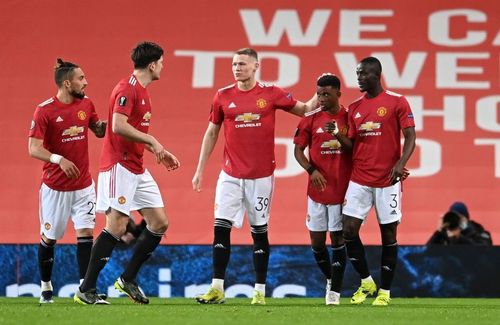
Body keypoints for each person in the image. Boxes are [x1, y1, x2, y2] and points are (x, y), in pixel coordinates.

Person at [192, 48, 317, 305]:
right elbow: (211, 133)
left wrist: (321, 89)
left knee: (258, 232)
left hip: (261, 176)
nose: (237, 68)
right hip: (230, 175)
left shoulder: (271, 93)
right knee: (220, 228)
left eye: (242, 64)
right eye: (234, 64)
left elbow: (304, 110)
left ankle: (259, 291)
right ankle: (217, 288)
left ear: (256, 66)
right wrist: (200, 169)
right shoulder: (223, 96)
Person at [74, 41, 180, 305]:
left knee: (159, 222)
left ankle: (127, 279)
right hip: (118, 166)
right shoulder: (127, 89)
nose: (163, 67)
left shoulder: (142, 92)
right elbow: (118, 127)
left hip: (136, 166)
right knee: (117, 226)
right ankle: (86, 289)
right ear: (153, 64)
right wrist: (153, 141)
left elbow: (128, 128)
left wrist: (157, 150)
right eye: (162, 62)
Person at [331, 56, 416, 306]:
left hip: (387, 180)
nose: (358, 78)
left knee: (388, 234)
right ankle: (367, 280)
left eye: (363, 74)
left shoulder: (397, 102)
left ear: (376, 75)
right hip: (359, 178)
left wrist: (400, 164)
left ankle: (385, 293)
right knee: (347, 230)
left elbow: (411, 136)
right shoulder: (355, 108)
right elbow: (352, 145)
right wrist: (337, 135)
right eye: (357, 74)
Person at [28, 58, 106, 304]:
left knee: (86, 234)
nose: (86, 82)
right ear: (66, 82)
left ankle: (86, 291)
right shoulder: (45, 110)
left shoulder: (86, 103)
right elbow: (33, 148)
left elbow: (98, 129)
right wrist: (58, 159)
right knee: (50, 238)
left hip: (83, 185)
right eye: (81, 78)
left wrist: (114, 123)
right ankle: (46, 287)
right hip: (55, 187)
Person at [293, 74, 351, 305]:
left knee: (337, 239)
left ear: (338, 93)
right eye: (319, 94)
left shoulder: (349, 117)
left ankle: (334, 292)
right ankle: (331, 278)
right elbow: (298, 151)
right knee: (317, 244)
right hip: (316, 191)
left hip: (341, 191)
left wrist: (338, 133)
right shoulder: (310, 119)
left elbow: (354, 149)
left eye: (326, 94)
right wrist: (311, 170)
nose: (321, 98)